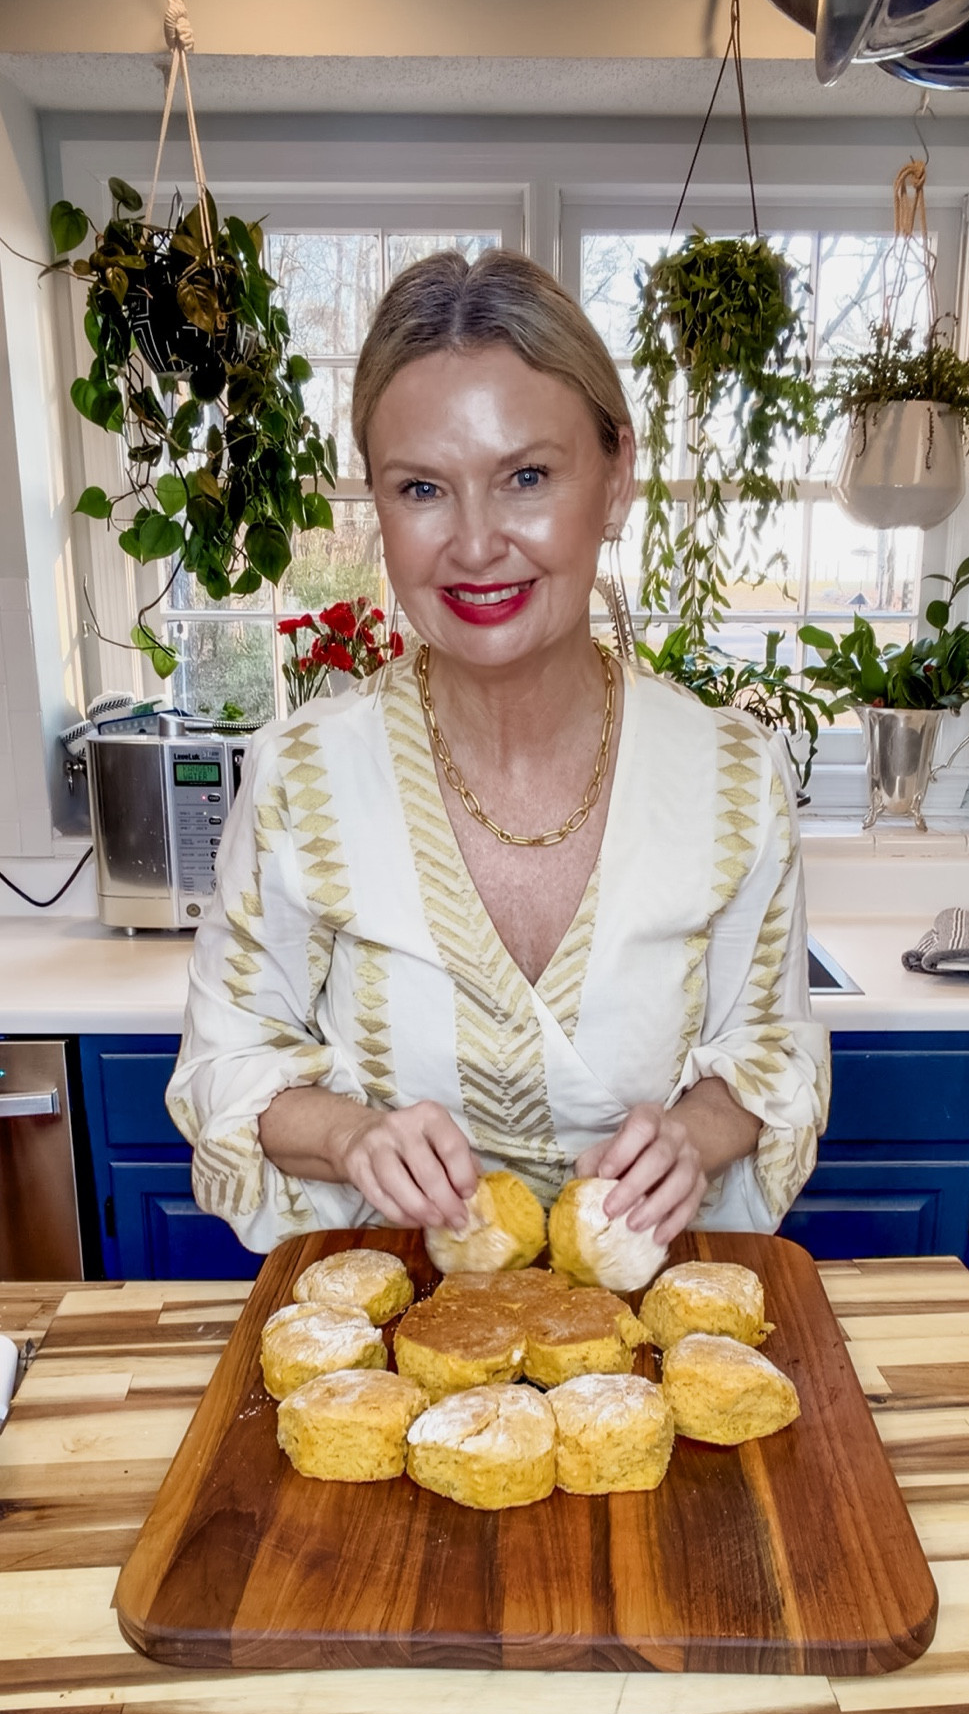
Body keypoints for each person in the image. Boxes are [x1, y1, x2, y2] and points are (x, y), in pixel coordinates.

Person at [167, 248, 829, 1255]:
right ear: (379, 508)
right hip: (380, 1353)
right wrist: (352, 1138)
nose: (475, 545)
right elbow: (225, 1066)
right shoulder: (302, 781)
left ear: (614, 479)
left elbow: (771, 1051)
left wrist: (694, 1137)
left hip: (650, 1338)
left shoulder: (735, 780)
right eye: (422, 488)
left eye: (526, 476)